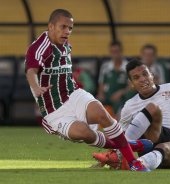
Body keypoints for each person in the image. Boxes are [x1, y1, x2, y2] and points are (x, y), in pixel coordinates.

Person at [24, 9, 151, 172]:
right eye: (63, 27)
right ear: (51, 26)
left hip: (73, 94)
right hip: (54, 110)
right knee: (84, 133)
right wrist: (35, 87)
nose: (67, 32)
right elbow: (31, 71)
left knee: (101, 114)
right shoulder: (39, 48)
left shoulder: (66, 46)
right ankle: (131, 144)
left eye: (70, 28)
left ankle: (133, 162)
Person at [97, 41, 130, 117]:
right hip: (107, 96)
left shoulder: (128, 66)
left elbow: (131, 86)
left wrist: (121, 92)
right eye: (112, 52)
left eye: (116, 51)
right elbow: (101, 84)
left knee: (120, 108)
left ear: (121, 52)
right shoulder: (105, 66)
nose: (114, 54)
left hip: (122, 98)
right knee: (95, 104)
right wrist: (101, 94)